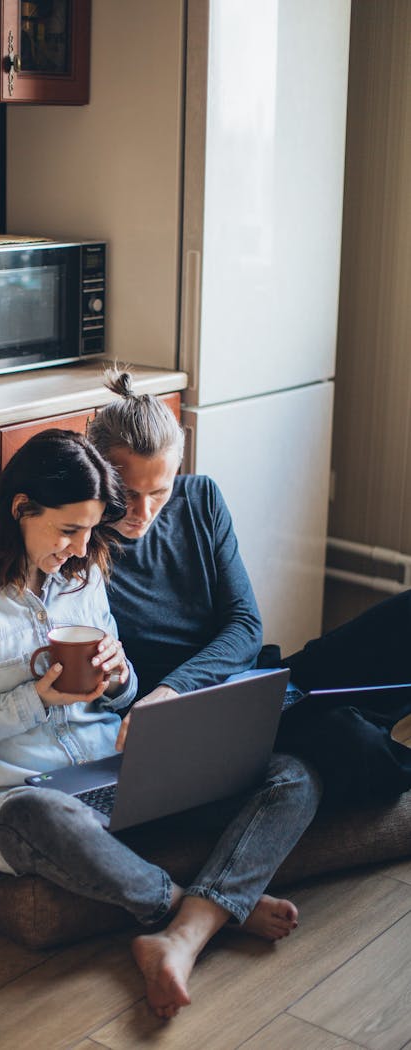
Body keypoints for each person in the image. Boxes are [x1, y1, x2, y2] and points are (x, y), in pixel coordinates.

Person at [0, 427, 320, 1022]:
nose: (80, 546)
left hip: (118, 773)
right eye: (68, 529)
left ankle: (183, 928)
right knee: (49, 815)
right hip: (25, 796)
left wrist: (123, 680)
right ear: (22, 509)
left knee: (289, 777)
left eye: (90, 530)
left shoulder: (86, 578)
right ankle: (202, 908)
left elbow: (121, 691)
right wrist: (30, 701)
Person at [86, 365, 411, 1014]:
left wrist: (175, 687)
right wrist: (159, 702)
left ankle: (353, 730)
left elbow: (244, 626)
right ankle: (183, 937)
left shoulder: (202, 500)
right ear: (99, 472)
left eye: (161, 491)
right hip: (190, 736)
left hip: (259, 684)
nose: (144, 513)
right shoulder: (80, 541)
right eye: (129, 494)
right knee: (333, 751)